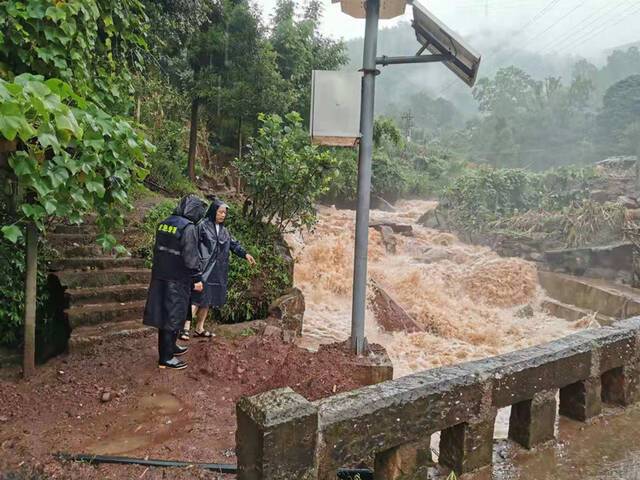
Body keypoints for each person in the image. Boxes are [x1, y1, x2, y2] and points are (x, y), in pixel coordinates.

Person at [143, 194, 207, 369]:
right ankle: (166, 357)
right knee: (172, 316)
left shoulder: (165, 223)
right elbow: (190, 257)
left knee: (168, 314)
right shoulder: (188, 228)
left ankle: (171, 347)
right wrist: (197, 278)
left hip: (161, 276)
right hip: (177, 279)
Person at [180, 199, 256, 339]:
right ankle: (185, 328)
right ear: (213, 211)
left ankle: (199, 328)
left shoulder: (224, 231)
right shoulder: (202, 226)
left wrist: (245, 254)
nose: (222, 215)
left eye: (224, 213)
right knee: (196, 298)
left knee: (208, 299)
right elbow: (192, 245)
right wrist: (192, 265)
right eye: (220, 212)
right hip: (202, 268)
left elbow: (234, 244)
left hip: (217, 271)